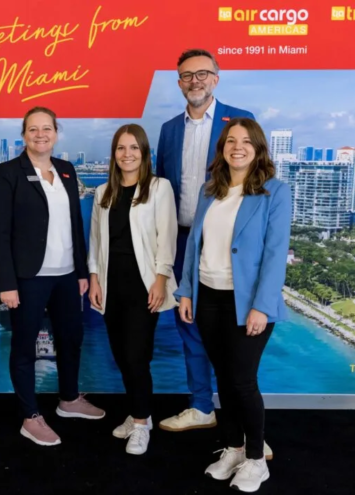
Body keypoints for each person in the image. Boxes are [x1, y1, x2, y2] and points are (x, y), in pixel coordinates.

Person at [154, 48, 265, 442]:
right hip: (184, 240)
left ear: (216, 78)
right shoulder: (169, 129)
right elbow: (163, 188)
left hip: (230, 245)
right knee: (189, 324)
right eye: (187, 75)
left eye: (202, 73)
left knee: (235, 338)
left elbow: (259, 179)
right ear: (179, 82)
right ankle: (201, 406)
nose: (195, 81)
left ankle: (248, 425)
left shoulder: (240, 120)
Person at [175, 117, 291, 492]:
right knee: (223, 379)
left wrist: (261, 306)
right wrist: (186, 291)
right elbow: (194, 247)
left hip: (248, 303)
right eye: (230, 141)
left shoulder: (274, 192)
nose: (237, 147)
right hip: (208, 297)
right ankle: (234, 448)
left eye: (245, 141)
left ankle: (256, 459)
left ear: (258, 149)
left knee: (242, 381)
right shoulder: (210, 190)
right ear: (222, 148)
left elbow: (275, 254)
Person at [0, 106, 105, 446]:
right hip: (28, 277)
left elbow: (75, 225)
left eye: (47, 129)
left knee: (71, 339)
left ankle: (69, 399)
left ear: (56, 133)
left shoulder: (66, 170)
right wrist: (6, 283)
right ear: (24, 135)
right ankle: (30, 416)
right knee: (24, 346)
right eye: (33, 129)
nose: (40, 135)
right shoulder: (8, 172)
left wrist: (81, 271)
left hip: (67, 275)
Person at [87, 124, 178, 455]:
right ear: (114, 154)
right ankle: (140, 413)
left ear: (144, 153)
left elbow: (167, 237)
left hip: (145, 285)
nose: (127, 154)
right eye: (121, 148)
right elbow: (95, 241)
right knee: (121, 355)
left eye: (134, 148)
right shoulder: (103, 192)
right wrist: (94, 278)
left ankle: (141, 425)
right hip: (111, 285)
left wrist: (161, 279)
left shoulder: (159, 188)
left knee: (137, 356)